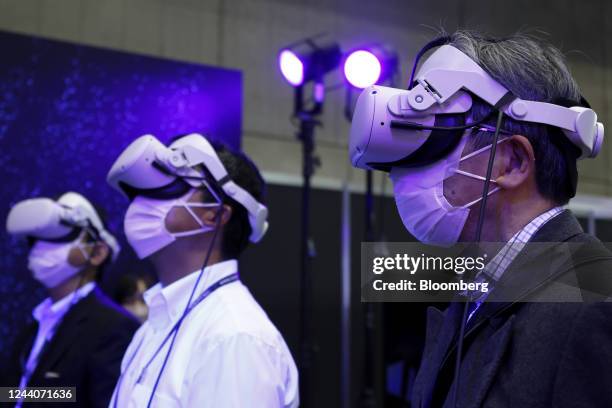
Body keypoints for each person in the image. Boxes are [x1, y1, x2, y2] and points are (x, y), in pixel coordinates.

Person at [349, 31, 612, 407]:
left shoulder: (595, 305)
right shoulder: (476, 295)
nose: (401, 174)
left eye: (440, 135)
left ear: (513, 161)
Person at [107, 133, 299, 407]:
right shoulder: (154, 325)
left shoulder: (234, 338)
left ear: (216, 214)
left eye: (168, 189)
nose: (141, 205)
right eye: (142, 194)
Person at [3, 192, 139, 408]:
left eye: (58, 237)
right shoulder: (35, 323)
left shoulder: (113, 327)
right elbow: (14, 393)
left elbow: (98, 399)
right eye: (35, 239)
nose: (41, 248)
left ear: (97, 252)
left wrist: (49, 393)